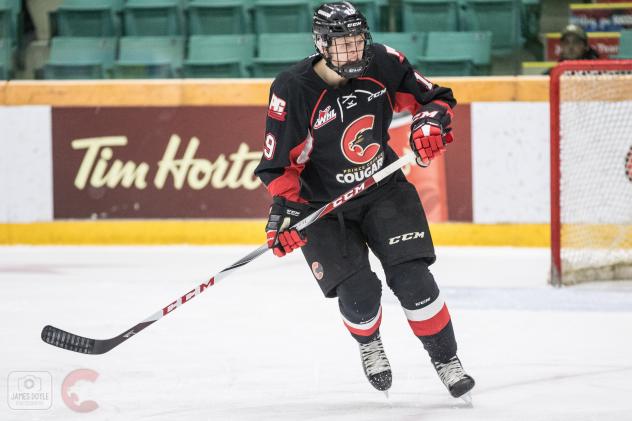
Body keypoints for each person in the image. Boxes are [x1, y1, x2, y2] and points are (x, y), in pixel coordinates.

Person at [254, 1, 475, 400]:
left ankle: (446, 358)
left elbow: (436, 100)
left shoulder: (384, 62)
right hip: (320, 208)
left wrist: (429, 122)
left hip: (383, 188)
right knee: (359, 296)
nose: (354, 51)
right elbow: (277, 164)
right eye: (342, 44)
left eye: (358, 40)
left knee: (413, 280)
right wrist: (284, 213)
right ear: (321, 44)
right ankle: (369, 342)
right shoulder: (291, 89)